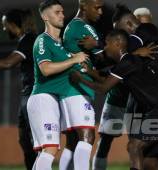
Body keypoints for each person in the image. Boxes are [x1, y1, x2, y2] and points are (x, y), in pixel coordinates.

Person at [71, 29, 158, 170]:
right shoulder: (128, 63)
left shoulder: (127, 62)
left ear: (118, 43)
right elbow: (107, 79)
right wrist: (90, 72)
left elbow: (103, 88)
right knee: (149, 162)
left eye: (107, 43)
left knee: (134, 146)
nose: (105, 47)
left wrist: (80, 79)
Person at [92, 4, 158, 170]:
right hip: (117, 99)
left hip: (139, 103)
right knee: (105, 142)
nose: (141, 28)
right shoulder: (120, 43)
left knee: (141, 147)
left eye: (145, 24)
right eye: (139, 23)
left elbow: (151, 69)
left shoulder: (151, 43)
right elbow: (111, 65)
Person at [27, 0, 88, 169]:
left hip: (55, 100)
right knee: (50, 150)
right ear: (45, 16)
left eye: (62, 12)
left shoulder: (62, 44)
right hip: (42, 98)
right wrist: (74, 59)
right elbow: (45, 69)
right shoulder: (42, 40)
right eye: (57, 12)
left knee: (46, 151)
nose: (62, 15)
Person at [0, 9, 37, 170]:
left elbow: (8, 63)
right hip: (27, 95)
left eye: (5, 25)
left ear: (14, 25)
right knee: (25, 141)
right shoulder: (25, 40)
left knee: (35, 142)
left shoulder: (29, 40)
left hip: (34, 96)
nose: (4, 29)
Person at [59, 0, 104, 169]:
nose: (100, 12)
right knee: (87, 136)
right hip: (77, 89)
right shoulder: (83, 27)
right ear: (84, 5)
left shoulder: (72, 26)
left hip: (70, 88)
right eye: (97, 7)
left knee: (72, 141)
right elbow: (106, 57)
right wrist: (99, 44)